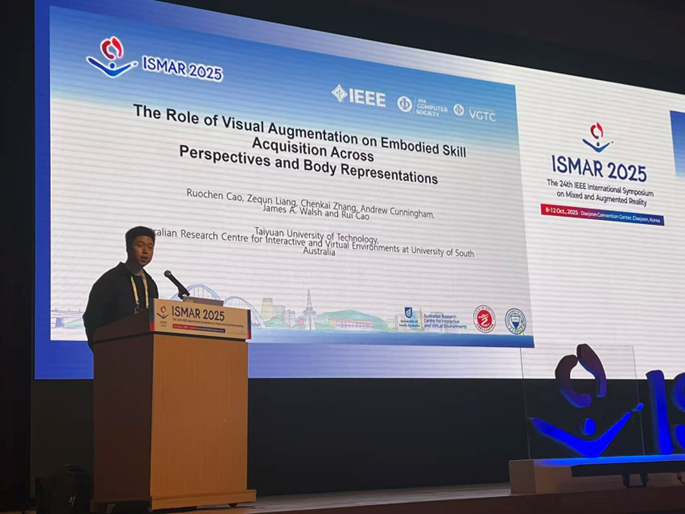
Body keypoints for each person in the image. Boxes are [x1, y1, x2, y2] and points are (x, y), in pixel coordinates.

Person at [83, 226, 159, 350]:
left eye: (150, 247)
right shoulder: (110, 280)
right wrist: (100, 350)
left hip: (143, 351)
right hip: (114, 351)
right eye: (140, 245)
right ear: (128, 248)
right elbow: (92, 319)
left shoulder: (150, 284)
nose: (145, 251)